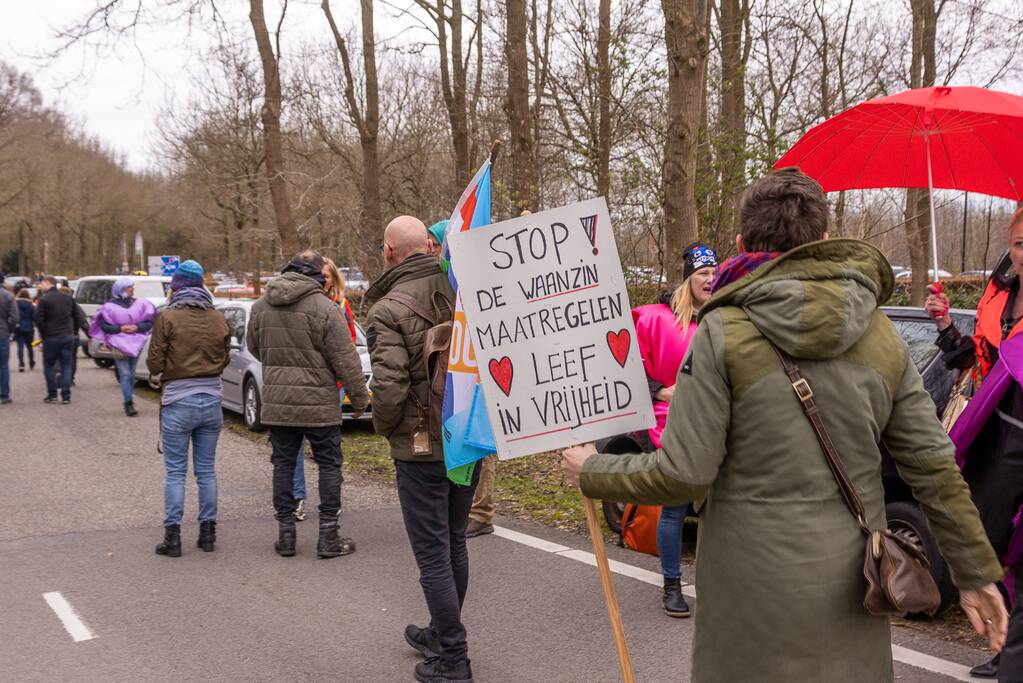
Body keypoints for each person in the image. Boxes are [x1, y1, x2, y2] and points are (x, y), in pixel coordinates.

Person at [560, 168, 1008, 682]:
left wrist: (595, 469)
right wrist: (974, 572)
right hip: (852, 588)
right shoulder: (881, 334)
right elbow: (933, 466)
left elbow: (684, 472)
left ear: (740, 243)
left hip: (746, 594)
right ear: (821, 241)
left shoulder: (722, 332)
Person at [365, 215, 476, 683]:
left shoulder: (387, 310)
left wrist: (385, 428)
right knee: (453, 543)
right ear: (427, 246)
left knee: (433, 555)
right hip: (468, 438)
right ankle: (438, 632)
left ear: (390, 251)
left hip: (422, 448)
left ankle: (454, 659)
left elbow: (388, 390)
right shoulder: (465, 287)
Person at [926, 207, 1023, 680]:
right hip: (988, 431)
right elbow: (977, 359)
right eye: (1021, 243)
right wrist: (945, 326)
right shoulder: (998, 292)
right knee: (993, 541)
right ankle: (1006, 645)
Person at [246, 250, 369, 559]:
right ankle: (328, 536)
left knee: (283, 465)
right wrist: (360, 398)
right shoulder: (326, 309)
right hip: (319, 405)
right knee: (329, 465)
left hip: (278, 404)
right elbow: (346, 359)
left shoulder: (261, 307)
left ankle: (286, 535)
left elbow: (255, 347)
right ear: (316, 277)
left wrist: (280, 367)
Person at [631, 242, 717, 618]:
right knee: (674, 510)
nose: (710, 280)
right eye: (703, 274)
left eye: (714, 273)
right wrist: (659, 389)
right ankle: (670, 584)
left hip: (716, 423)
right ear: (688, 279)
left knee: (719, 513)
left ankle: (717, 584)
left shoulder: (723, 318)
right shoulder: (656, 320)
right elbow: (628, 364)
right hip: (673, 423)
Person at [146, 260, 231, 557]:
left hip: (178, 400)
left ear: (176, 287)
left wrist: (166, 371)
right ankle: (207, 534)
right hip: (211, 400)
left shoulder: (166, 317)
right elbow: (225, 359)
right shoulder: (218, 318)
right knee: (207, 471)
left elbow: (154, 362)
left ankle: (173, 538)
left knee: (175, 473)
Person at [88, 278, 157, 416]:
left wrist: (136, 327)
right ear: (121, 289)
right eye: (129, 287)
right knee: (125, 374)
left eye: (132, 287)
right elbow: (104, 325)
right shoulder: (108, 306)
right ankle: (128, 403)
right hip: (118, 344)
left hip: (136, 343)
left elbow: (149, 323)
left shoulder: (140, 303)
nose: (132, 289)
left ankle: (129, 398)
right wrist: (120, 328)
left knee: (131, 374)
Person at [36, 275, 84, 405]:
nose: (40, 286)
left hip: (51, 336)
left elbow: (39, 320)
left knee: (49, 366)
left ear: (47, 283)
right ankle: (66, 395)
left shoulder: (44, 300)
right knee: (66, 366)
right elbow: (78, 316)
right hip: (67, 336)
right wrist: (74, 331)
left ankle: (52, 395)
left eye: (42, 284)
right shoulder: (68, 298)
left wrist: (44, 334)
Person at [0, 273, 17, 404]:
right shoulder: (8, 295)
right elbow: (15, 318)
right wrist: (9, 330)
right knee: (4, 365)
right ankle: (4, 395)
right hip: (2, 333)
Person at [14, 288, 35, 373]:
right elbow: (34, 317)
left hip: (18, 327)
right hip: (29, 327)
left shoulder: (15, 304)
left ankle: (21, 364)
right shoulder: (31, 305)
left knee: (20, 346)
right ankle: (31, 362)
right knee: (30, 347)